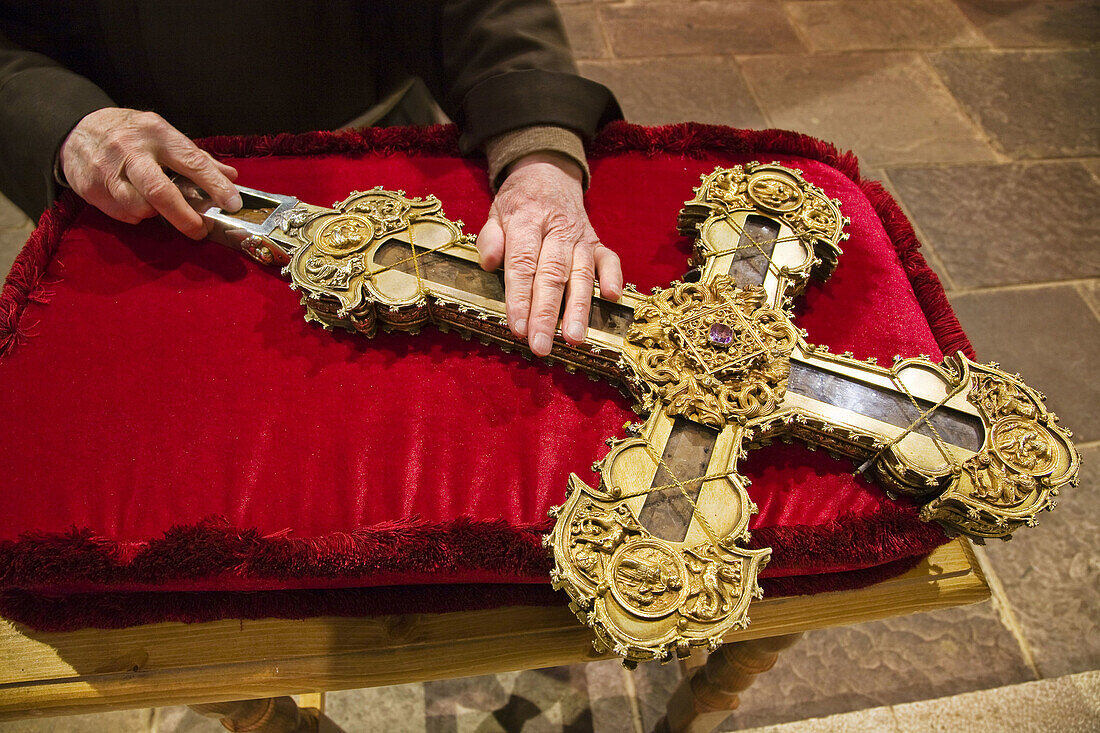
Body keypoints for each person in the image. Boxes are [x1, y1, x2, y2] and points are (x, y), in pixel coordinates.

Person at [0, 1, 624, 357]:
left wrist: (537, 145)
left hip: (375, 152)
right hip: (138, 193)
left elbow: (487, 11)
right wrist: (63, 121)